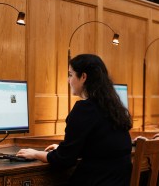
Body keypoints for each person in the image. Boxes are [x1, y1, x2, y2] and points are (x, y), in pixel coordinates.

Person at [17, 54, 133, 186]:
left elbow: (64, 161)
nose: (68, 80)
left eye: (70, 75)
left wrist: (36, 154)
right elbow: (101, 148)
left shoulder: (84, 109)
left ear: (83, 77)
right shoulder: (113, 109)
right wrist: (65, 149)